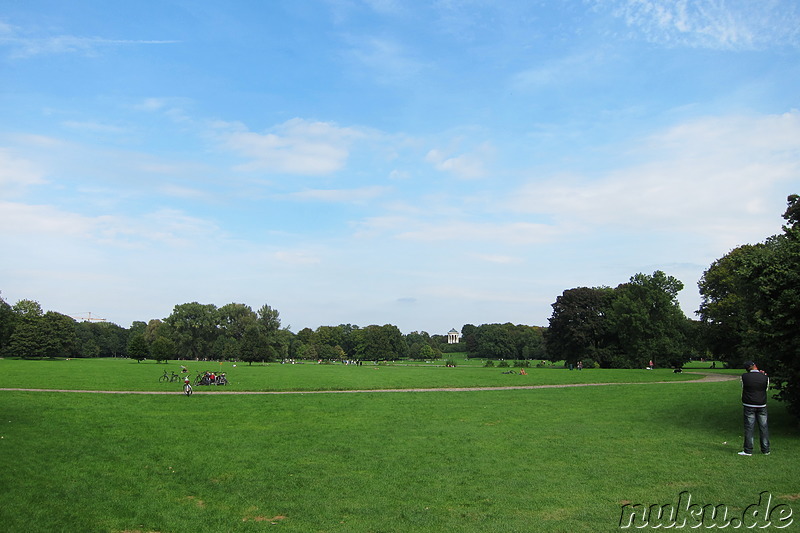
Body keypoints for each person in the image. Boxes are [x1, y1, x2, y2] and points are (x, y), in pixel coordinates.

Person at [739, 361, 770, 456]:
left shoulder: (744, 377)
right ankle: (765, 449)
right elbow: (766, 388)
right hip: (761, 404)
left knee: (749, 427)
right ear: (755, 366)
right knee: (763, 427)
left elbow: (742, 387)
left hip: (749, 404)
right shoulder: (765, 377)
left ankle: (748, 450)